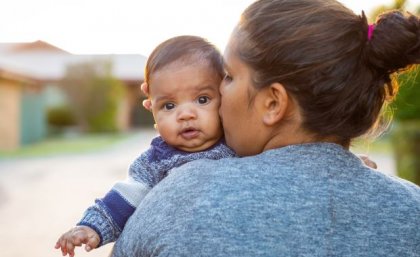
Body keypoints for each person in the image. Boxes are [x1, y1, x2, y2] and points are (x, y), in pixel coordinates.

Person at [111, 0, 420, 256]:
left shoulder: (181, 195)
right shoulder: (411, 210)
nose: (218, 92)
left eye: (229, 76)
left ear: (273, 103)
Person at [54, 35, 236, 257]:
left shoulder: (238, 143)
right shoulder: (155, 161)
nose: (186, 114)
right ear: (152, 109)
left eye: (202, 100)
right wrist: (91, 227)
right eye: (169, 105)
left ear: (224, 97)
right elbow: (124, 198)